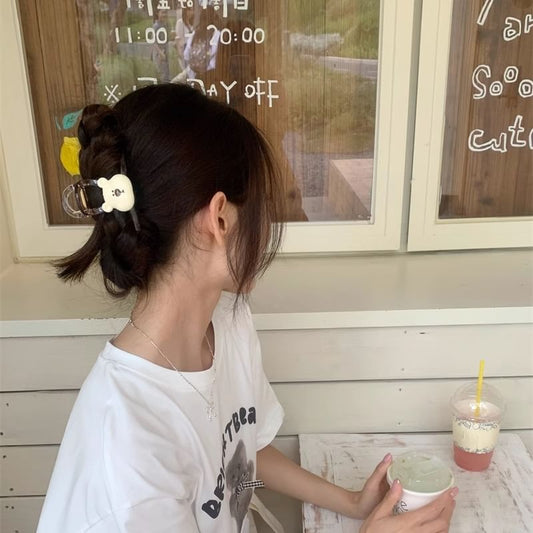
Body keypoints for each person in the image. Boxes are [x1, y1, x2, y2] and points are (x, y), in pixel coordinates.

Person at [37, 83, 457, 532]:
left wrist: (352, 503)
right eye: (261, 209)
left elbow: (242, 450)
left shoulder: (227, 323)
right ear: (219, 218)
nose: (266, 228)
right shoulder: (127, 449)